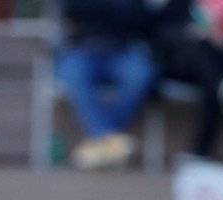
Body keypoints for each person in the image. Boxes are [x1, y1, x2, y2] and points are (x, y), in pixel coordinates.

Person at [151, 0, 223, 161]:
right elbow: (160, 30)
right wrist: (191, 33)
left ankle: (200, 153)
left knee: (212, 79)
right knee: (211, 69)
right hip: (187, 66)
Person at [52, 0, 157, 169]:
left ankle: (101, 141)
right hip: (81, 48)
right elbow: (71, 9)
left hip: (121, 49)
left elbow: (142, 18)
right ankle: (110, 141)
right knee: (73, 74)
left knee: (141, 73)